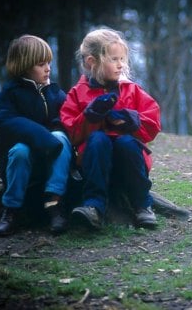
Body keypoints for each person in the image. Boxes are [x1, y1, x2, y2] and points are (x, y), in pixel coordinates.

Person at [60, 28, 161, 230]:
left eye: (122, 59)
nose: (121, 64)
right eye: (114, 59)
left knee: (125, 142)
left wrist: (133, 120)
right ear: (92, 62)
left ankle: (142, 205)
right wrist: (90, 116)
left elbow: (153, 123)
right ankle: (94, 207)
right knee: (98, 139)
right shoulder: (78, 93)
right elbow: (71, 132)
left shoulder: (131, 89)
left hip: (129, 161)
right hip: (94, 160)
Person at [0, 35, 72, 236]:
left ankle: (54, 203)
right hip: (21, 156)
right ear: (24, 66)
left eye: (49, 63)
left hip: (51, 159)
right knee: (20, 150)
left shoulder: (54, 91)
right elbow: (3, 120)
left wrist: (53, 135)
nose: (48, 69)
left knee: (61, 138)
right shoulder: (11, 93)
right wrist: (43, 137)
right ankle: (11, 210)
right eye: (41, 64)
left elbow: (67, 117)